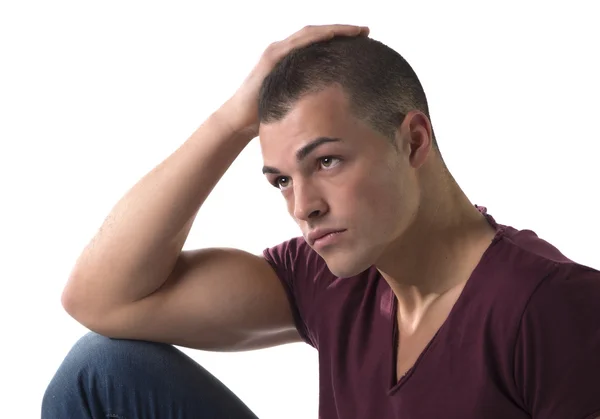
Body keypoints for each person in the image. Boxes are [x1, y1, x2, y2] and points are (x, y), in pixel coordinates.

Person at [42, 24, 600, 419]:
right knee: (100, 368)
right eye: (282, 180)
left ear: (412, 141)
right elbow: (102, 300)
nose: (301, 205)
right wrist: (234, 119)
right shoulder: (328, 277)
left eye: (326, 162)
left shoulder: (551, 306)